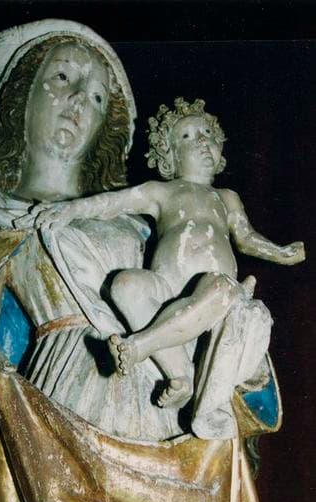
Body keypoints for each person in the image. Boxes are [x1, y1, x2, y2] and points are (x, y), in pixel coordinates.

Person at [0, 20, 280, 502]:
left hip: (164, 424)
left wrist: (242, 359)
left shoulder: (140, 225)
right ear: (22, 92)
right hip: (56, 422)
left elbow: (195, 318)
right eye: (62, 77)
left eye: (100, 96)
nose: (81, 101)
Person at [26, 97, 304, 429]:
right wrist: (70, 209)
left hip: (215, 295)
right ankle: (180, 374)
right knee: (125, 285)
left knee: (221, 287)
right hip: (167, 287)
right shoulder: (161, 192)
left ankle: (141, 345)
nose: (201, 141)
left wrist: (280, 252)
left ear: (220, 148)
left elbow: (245, 237)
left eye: (207, 133)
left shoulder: (226, 198)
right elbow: (113, 203)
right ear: (168, 155)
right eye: (187, 136)